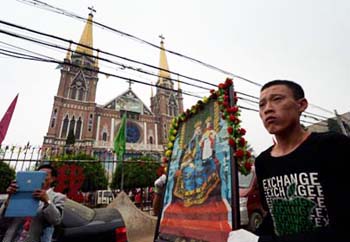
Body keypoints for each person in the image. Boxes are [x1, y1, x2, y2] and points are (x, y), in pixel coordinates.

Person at [228, 80, 350, 242]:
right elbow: (274, 217)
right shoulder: (263, 162)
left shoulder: (332, 146)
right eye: (262, 105)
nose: (268, 109)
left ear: (301, 105)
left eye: (277, 99)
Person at [0, 163, 66, 242]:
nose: (41, 178)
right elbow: (3, 219)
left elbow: (56, 220)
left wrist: (47, 201)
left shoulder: (58, 197)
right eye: (39, 175)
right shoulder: (23, 193)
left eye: (45, 175)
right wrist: (10, 197)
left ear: (53, 179)